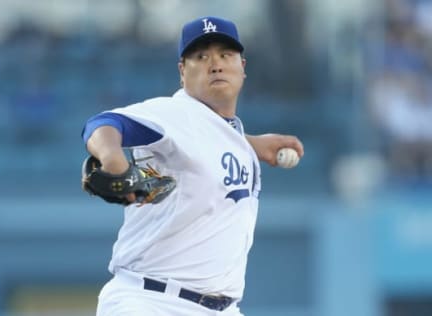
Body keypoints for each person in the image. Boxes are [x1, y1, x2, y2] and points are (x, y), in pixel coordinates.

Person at [81, 16, 304, 316]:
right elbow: (103, 124)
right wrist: (112, 158)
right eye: (201, 57)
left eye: (226, 55)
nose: (215, 64)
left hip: (222, 308)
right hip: (152, 302)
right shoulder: (174, 113)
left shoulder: (225, 132)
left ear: (242, 67)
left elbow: (206, 143)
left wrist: (251, 143)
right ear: (182, 72)